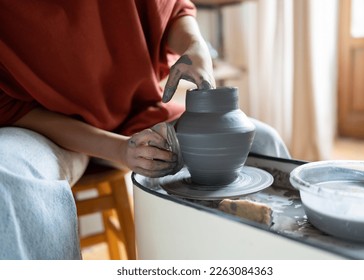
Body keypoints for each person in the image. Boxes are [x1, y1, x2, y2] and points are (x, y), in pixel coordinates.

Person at [0, 0, 289, 259]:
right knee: (5, 176)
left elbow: (173, 11)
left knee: (262, 142)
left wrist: (195, 45)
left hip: (137, 114)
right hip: (46, 128)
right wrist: (116, 148)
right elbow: (9, 107)